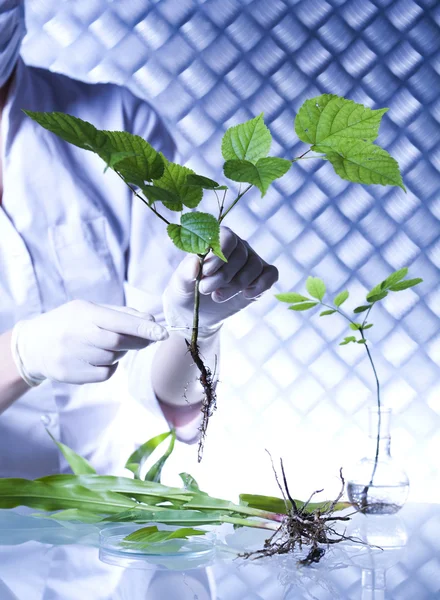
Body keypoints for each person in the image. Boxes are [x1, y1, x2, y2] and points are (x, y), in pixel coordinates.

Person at [0, 0, 279, 478]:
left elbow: (173, 406)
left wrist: (197, 328)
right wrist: (20, 355)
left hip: (105, 517)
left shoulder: (116, 124)